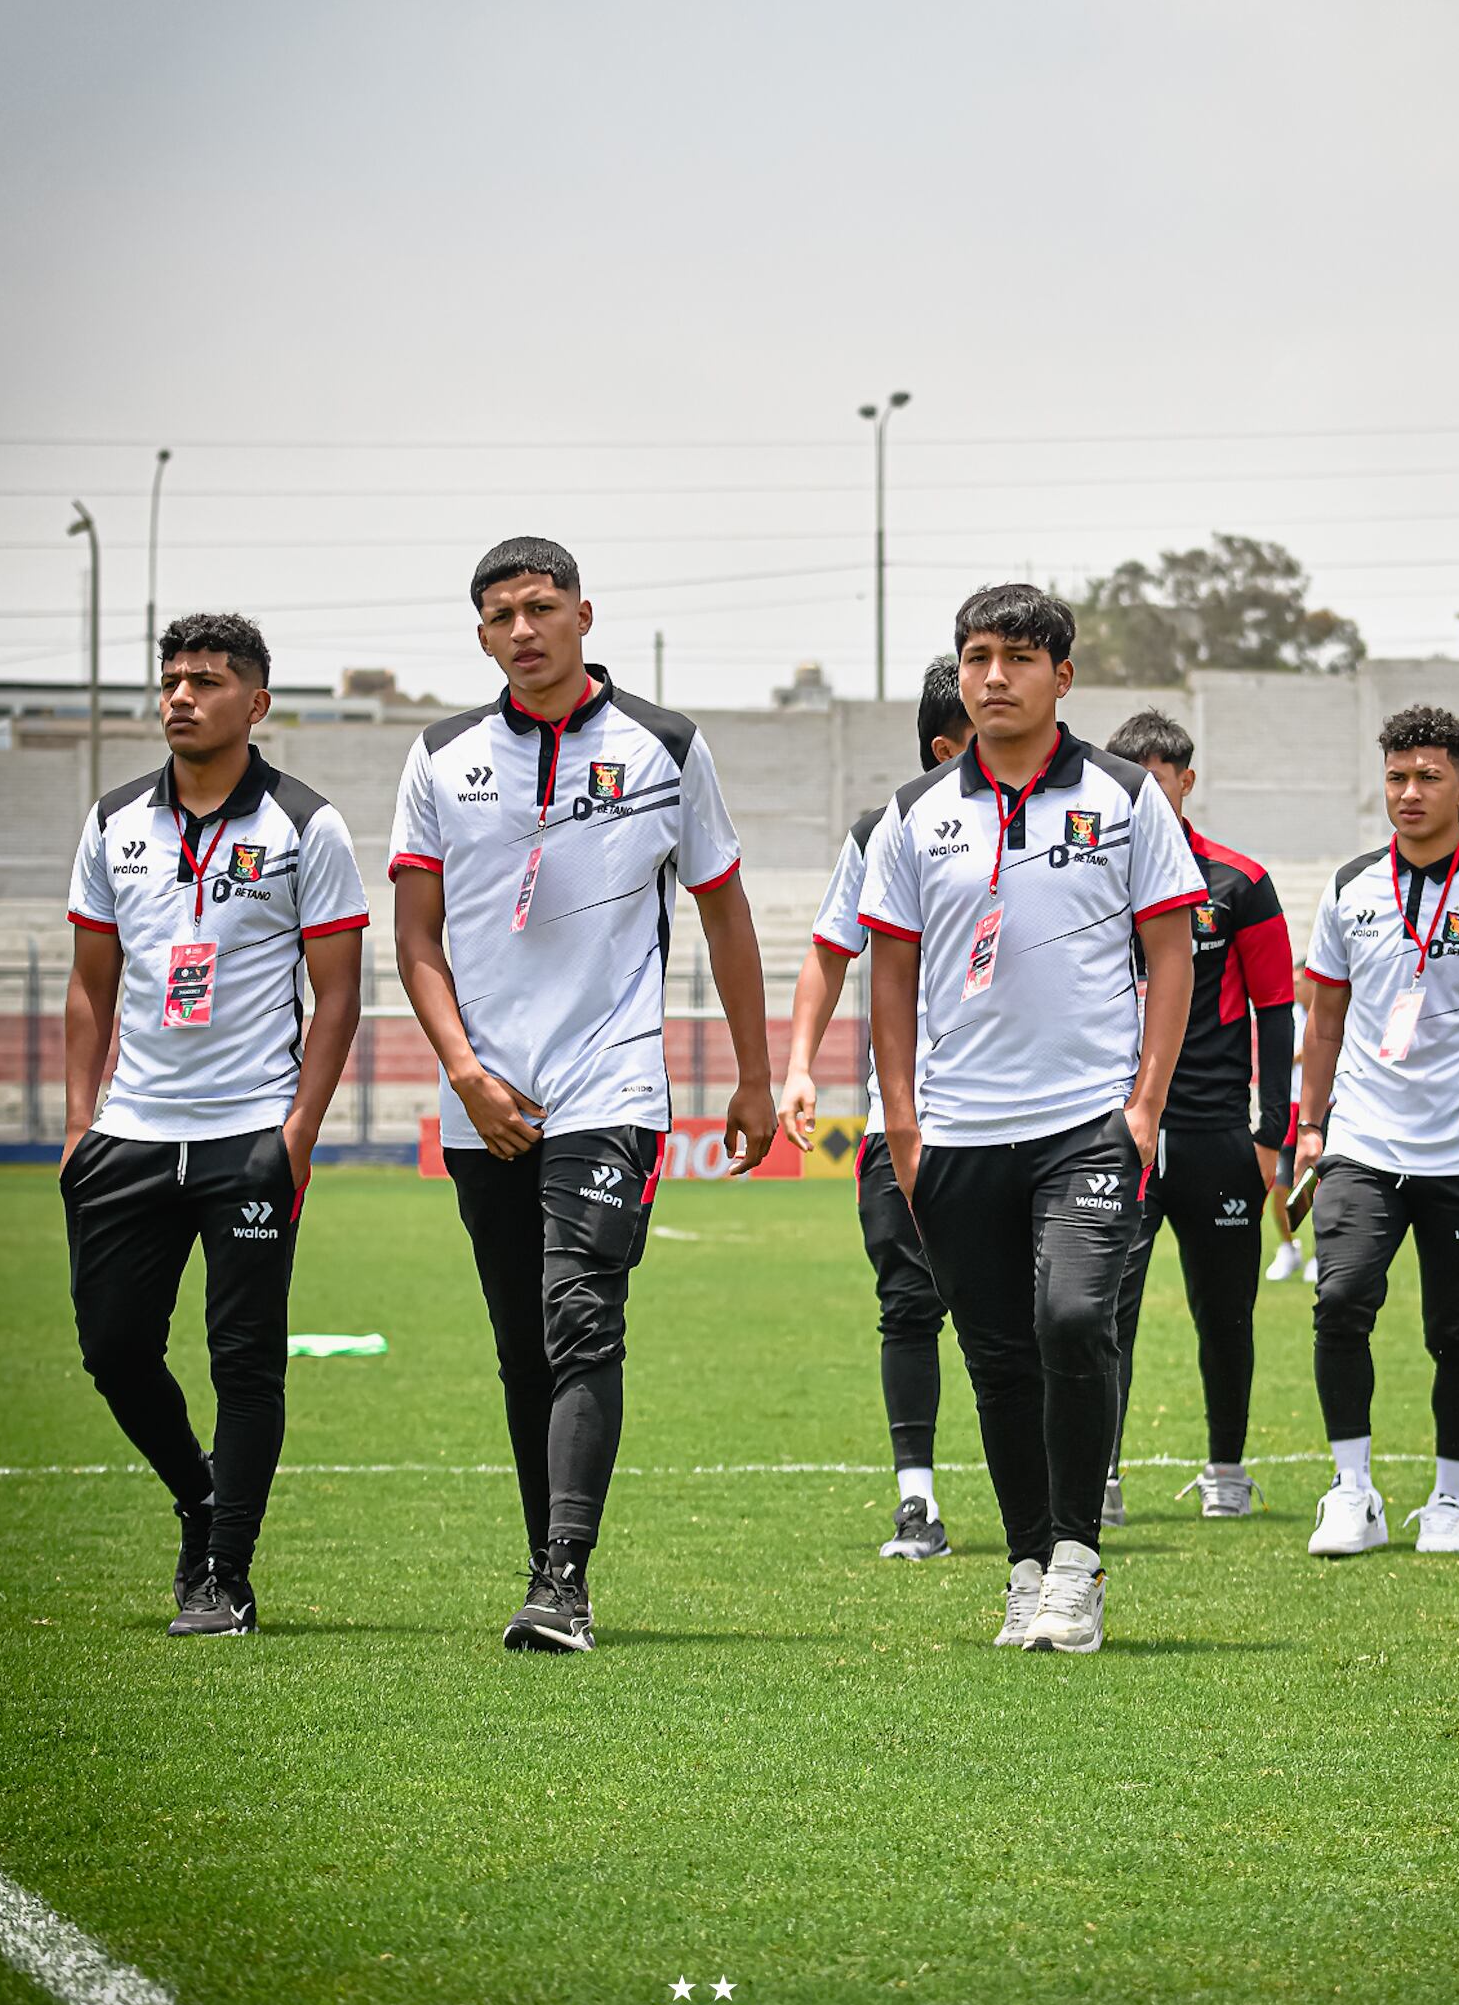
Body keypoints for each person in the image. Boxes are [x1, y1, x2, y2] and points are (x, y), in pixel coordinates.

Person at [391, 538, 775, 1653]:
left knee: (580, 1320)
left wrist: (752, 1074)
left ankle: (564, 1577)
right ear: (480, 634)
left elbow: (723, 909)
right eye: (501, 613)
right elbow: (415, 937)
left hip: (611, 1082)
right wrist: (463, 1067)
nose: (523, 628)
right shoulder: (438, 756)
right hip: (484, 1092)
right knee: (523, 1345)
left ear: (584, 615)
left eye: (542, 606)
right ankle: (543, 1563)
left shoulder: (664, 746)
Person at [859, 583, 1202, 1654]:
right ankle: (1024, 1565)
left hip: (1085, 1124)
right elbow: (890, 973)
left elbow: (1169, 953)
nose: (992, 676)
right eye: (974, 656)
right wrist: (904, 1129)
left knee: (1071, 1319)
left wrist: (1142, 1107)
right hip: (954, 1136)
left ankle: (1076, 1560)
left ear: (1063, 673)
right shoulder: (915, 812)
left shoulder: (1123, 796)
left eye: (1015, 656)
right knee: (998, 1357)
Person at [61, 613, 367, 1636]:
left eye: (205, 679)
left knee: (245, 1360)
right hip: (129, 1135)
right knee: (112, 1348)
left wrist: (298, 1131)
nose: (181, 695)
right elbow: (87, 987)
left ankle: (223, 1572)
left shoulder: (304, 826)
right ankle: (199, 1496)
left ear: (256, 701)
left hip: (248, 1134)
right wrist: (77, 1124)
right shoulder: (113, 823)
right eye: (172, 679)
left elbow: (337, 997)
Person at [1293, 707, 1459, 1559]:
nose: (1409, 794)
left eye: (1428, 778)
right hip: (1362, 1143)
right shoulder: (1348, 888)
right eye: (1397, 777)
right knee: (1338, 1304)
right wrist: (1309, 1128)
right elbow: (1324, 1021)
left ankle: (1449, 1501)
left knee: (1457, 1331)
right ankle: (1353, 1491)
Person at [779, 655, 972, 1559]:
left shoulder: (1065, 816)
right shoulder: (885, 832)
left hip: (1025, 1118)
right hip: (909, 1118)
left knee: (1041, 1311)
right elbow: (828, 949)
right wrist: (799, 1067)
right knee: (909, 1305)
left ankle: (1062, 1495)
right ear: (948, 745)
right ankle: (917, 1503)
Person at [1100, 708, 1293, 1521]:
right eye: (1131, 781)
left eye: (1160, 779)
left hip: (1218, 1137)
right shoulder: (1090, 874)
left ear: (1186, 780)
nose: (1148, 795)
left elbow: (1278, 1008)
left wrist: (1271, 1135)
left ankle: (1225, 1470)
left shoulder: (1238, 884)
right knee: (1103, 1312)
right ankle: (1099, 1476)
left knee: (1227, 1316)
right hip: (1114, 1137)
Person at [1265, 958, 1312, 1285]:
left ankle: (1322, 1254)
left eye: (1300, 982)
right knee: (1280, 1186)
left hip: (1324, 1111)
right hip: (1289, 1109)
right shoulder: (1290, 1016)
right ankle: (1288, 1246)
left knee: (1319, 1187)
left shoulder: (1333, 1013)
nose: (1294, 988)